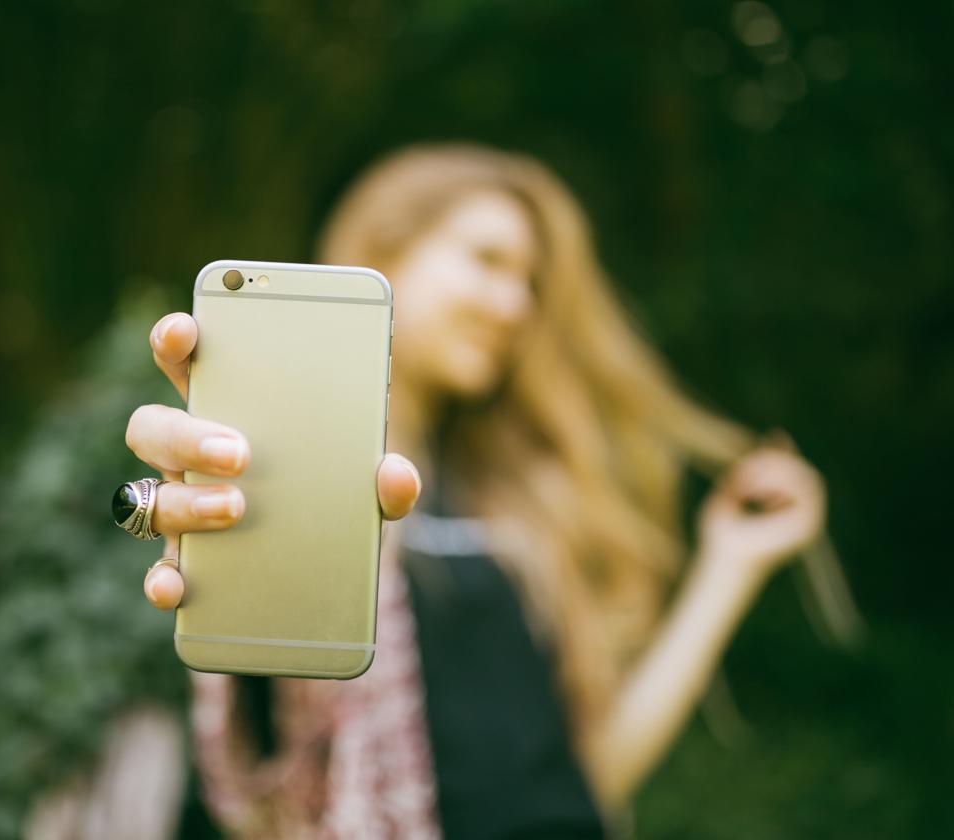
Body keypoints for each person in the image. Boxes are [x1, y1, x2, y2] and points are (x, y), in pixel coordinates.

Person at [122, 143, 830, 838]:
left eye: (530, 282)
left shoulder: (520, 511)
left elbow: (588, 780)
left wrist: (729, 566)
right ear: (384, 252)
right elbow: (257, 795)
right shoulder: (266, 478)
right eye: (487, 260)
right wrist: (201, 509)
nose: (515, 305)